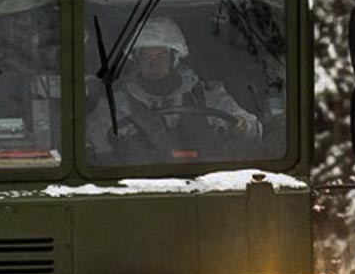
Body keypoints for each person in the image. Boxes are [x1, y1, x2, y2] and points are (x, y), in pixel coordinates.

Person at [90, 17, 262, 164]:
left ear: (174, 59)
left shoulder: (207, 94)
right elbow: (93, 142)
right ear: (136, 59)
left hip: (207, 179)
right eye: (146, 56)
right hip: (143, 184)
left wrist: (242, 126)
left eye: (161, 56)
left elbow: (252, 130)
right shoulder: (119, 104)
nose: (154, 63)